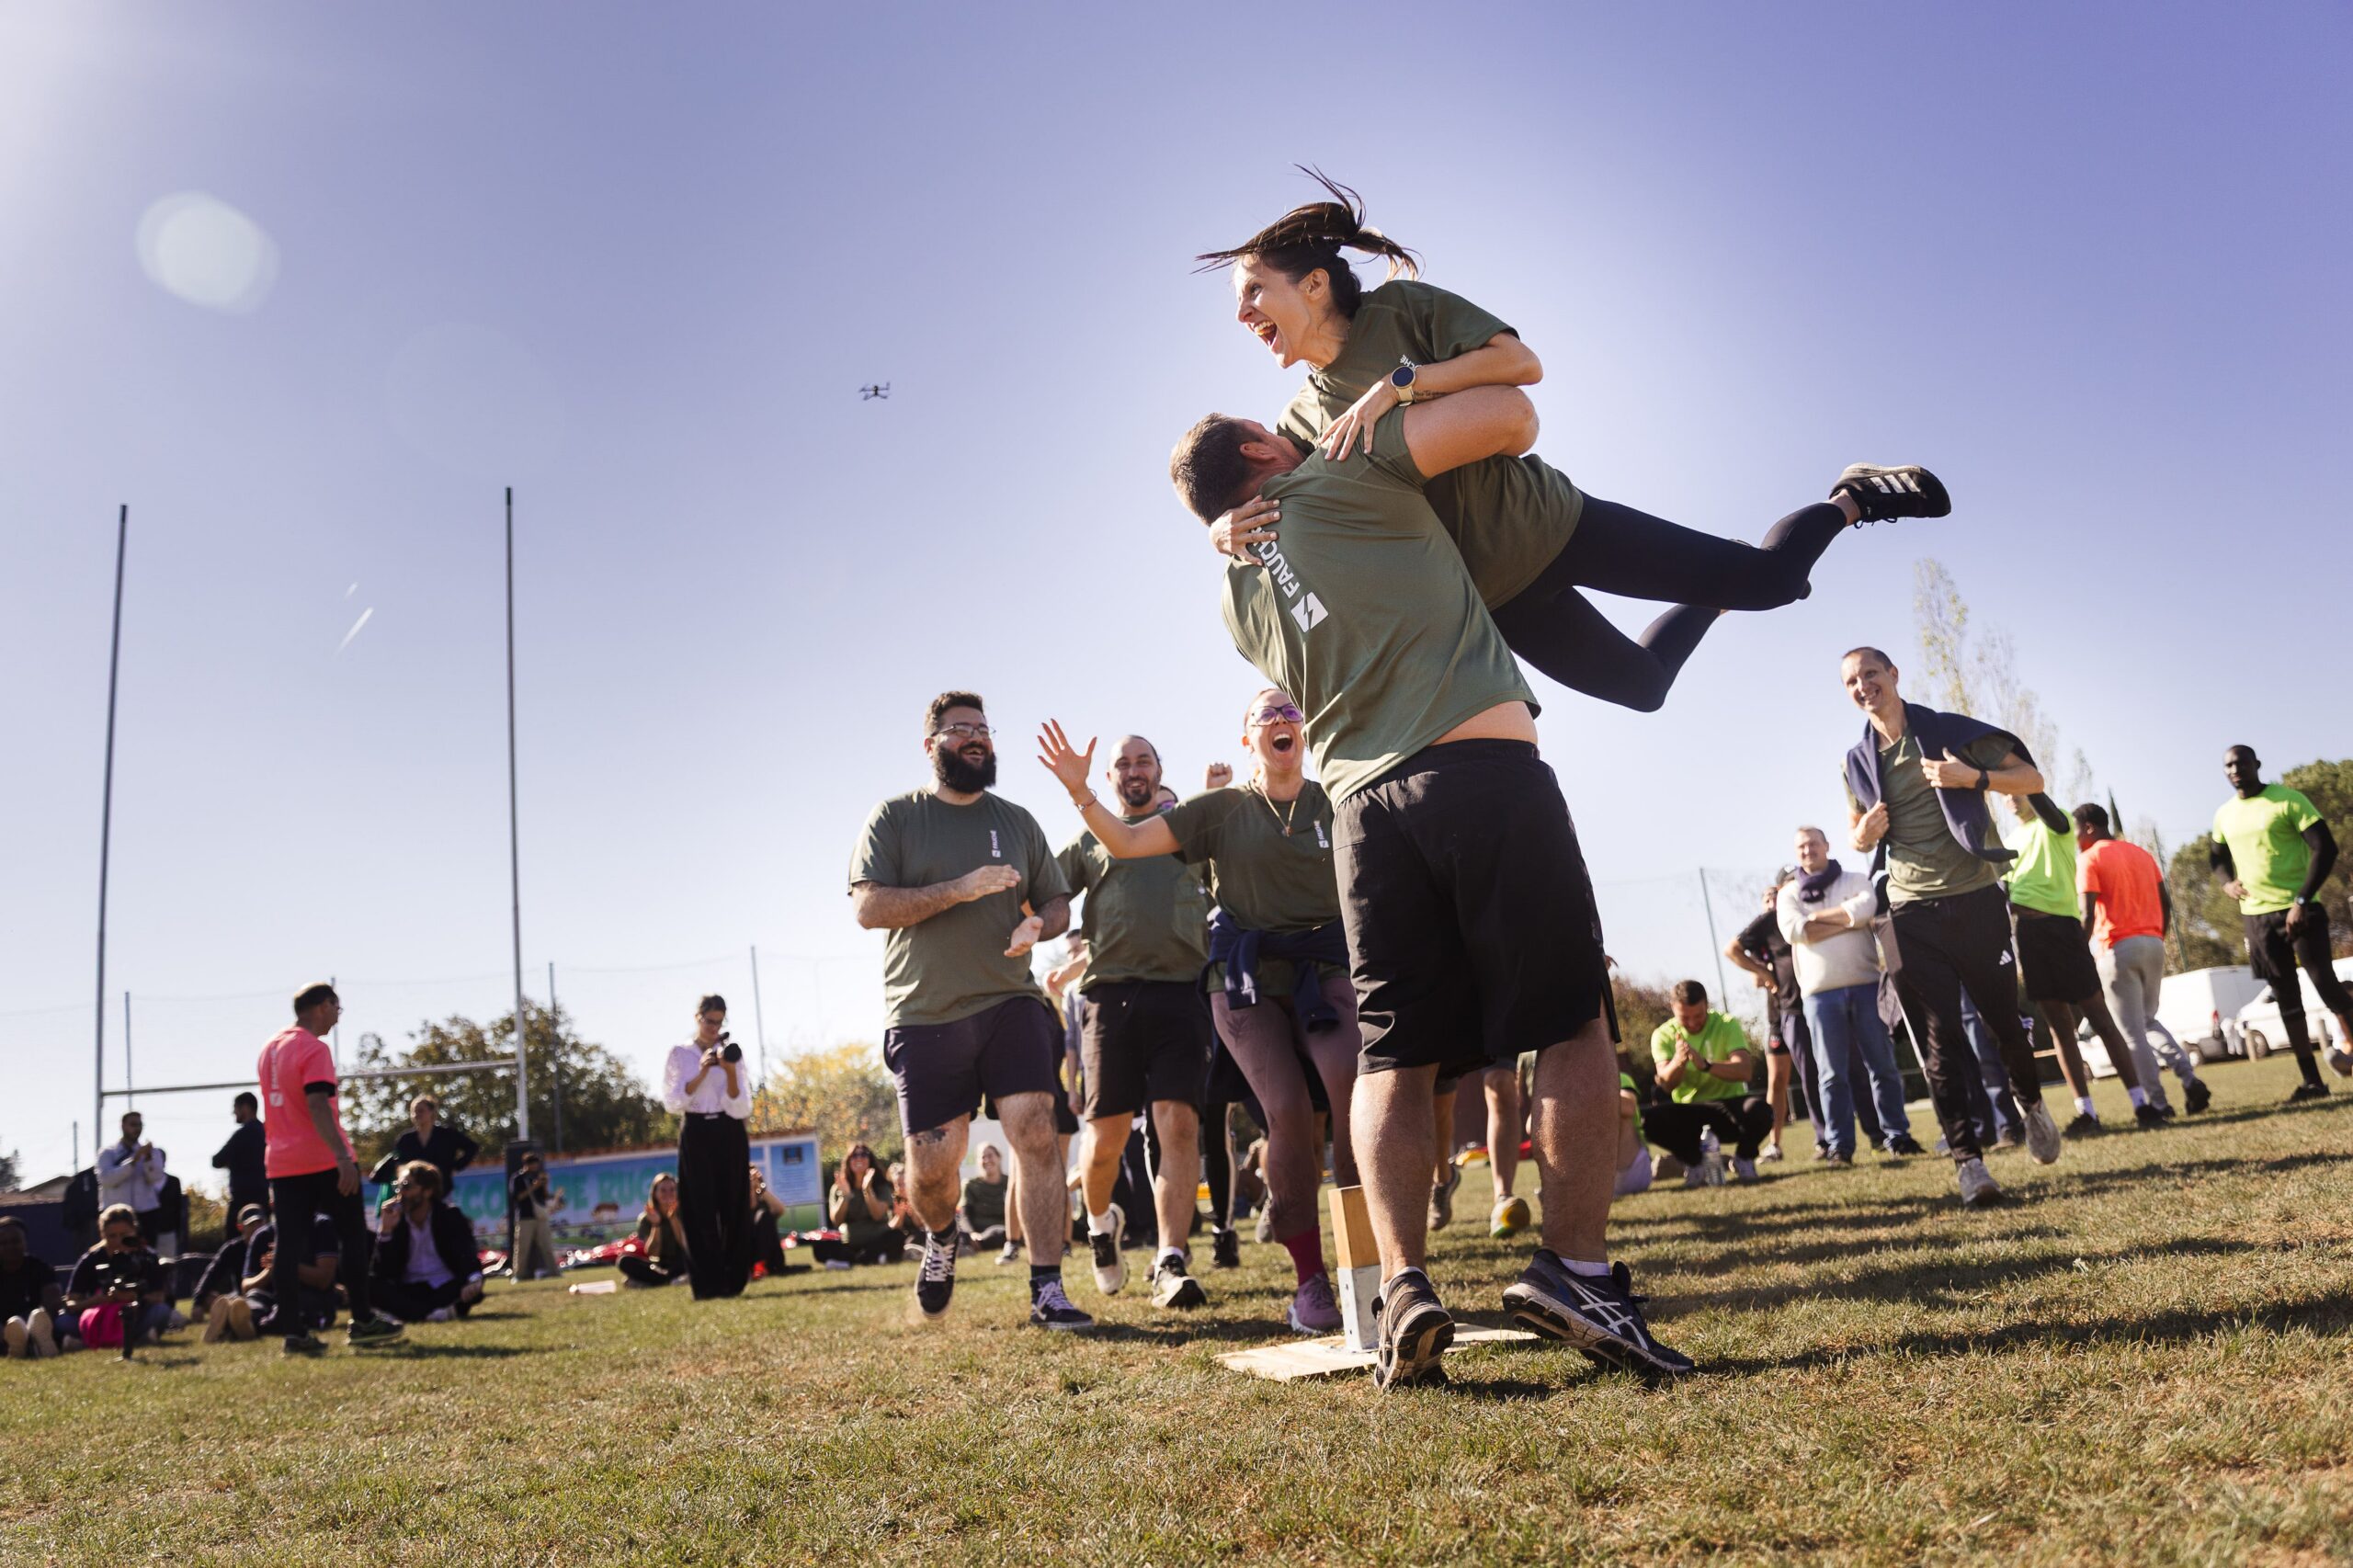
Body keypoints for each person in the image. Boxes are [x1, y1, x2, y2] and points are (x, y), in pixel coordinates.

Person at [1167, 382, 1691, 1388]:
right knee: (1573, 1025)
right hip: (1479, 770)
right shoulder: (1349, 463)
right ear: (1258, 447)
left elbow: (1246, 542)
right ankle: (1575, 1269)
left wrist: (1216, 534)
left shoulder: (1234, 590)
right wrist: (1397, 389)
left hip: (1362, 812)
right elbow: (1512, 416)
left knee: (1393, 1057)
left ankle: (1402, 1282)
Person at [1197, 172, 1952, 714]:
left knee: (1775, 583)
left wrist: (1399, 385)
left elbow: (1521, 368)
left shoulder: (1400, 313)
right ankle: (1711, 595)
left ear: (1316, 285)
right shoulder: (1295, 424)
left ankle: (1851, 500)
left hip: (1556, 525)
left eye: (1254, 293)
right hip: (1498, 598)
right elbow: (1289, 517)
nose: (1244, 317)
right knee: (1644, 689)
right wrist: (1222, 537)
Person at [1037, 692, 1357, 1332]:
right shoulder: (1212, 812)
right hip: (1203, 983)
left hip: (1291, 970)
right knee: (1276, 1113)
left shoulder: (1333, 801)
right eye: (1263, 716)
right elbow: (1117, 849)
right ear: (1247, 740)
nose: (1279, 722)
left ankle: (1373, 1270)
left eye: (1288, 711)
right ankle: (1305, 1281)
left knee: (1348, 1093)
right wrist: (1078, 794)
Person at [848, 691, 1091, 1330]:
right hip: (925, 1014)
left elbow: (1058, 902)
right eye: (960, 730)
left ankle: (1047, 1287)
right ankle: (941, 1238)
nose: (977, 739)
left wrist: (1039, 924)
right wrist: (958, 890)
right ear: (930, 746)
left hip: (1010, 1001)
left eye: (983, 729)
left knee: (1036, 1129)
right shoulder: (896, 818)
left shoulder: (1016, 821)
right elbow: (869, 908)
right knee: (931, 1169)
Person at [1838, 648, 2065, 1207]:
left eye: (1871, 673)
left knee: (2003, 1027)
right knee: (1938, 1042)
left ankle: (2030, 1103)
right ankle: (1970, 1164)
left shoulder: (1946, 732)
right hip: (1910, 910)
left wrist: (1975, 777)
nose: (1863, 685)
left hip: (1975, 899)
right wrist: (1863, 837)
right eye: (1851, 680)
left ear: (1894, 676)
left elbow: (2032, 777)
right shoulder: (1856, 761)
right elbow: (1855, 834)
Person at [1038, 733, 1214, 1312]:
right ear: (1110, 779)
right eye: (1123, 763)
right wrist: (1027, 923)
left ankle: (1171, 1259)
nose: (1133, 769)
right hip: (1109, 1003)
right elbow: (1047, 894)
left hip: (1181, 994)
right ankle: (1098, 1223)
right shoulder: (1090, 839)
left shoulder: (1190, 832)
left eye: (1144, 760)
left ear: (1160, 771)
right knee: (1107, 1139)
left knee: (1178, 1126)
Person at [1996, 794, 2165, 1135]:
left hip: (2064, 928)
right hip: (2028, 933)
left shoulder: (2055, 819)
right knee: (2059, 1024)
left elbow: (2045, 806)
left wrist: (2027, 781)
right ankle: (2086, 1112)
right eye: (2004, 792)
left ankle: (2141, 1104)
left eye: (2017, 789)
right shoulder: (2009, 842)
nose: (2011, 797)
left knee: (2099, 1016)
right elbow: (2005, 887)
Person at [257, 983, 400, 1351]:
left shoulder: (269, 1048)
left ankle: (293, 1332)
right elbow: (317, 1104)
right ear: (323, 1006)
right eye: (337, 1009)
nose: (338, 1017)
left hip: (281, 1162)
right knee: (352, 1236)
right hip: (322, 1159)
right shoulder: (312, 1047)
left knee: (287, 1246)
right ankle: (363, 1320)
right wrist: (341, 1157)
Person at [2211, 745, 2353, 1099]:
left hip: (2301, 911)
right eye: (2228, 765)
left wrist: (2302, 900)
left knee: (2324, 982)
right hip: (2257, 919)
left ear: (2256, 765)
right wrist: (2227, 882)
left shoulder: (2288, 800)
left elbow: (2326, 848)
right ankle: (2312, 1082)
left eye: (2241, 763)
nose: (2235, 769)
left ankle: (2349, 1048)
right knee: (2286, 996)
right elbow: (2215, 859)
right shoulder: (2224, 815)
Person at [1777, 827, 1920, 1166]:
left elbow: (1866, 909)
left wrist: (1816, 923)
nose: (1808, 850)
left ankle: (1896, 1135)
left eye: (1813, 843)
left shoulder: (1856, 879)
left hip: (1866, 984)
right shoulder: (1788, 894)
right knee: (1831, 1074)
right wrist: (1846, 919)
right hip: (1818, 995)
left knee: (1882, 1065)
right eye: (1801, 846)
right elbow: (1795, 931)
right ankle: (1840, 1145)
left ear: (1827, 846)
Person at [2075, 803, 2210, 1118]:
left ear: (2090, 827)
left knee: (2131, 1033)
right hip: (2153, 943)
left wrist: (2079, 952)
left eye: (2077, 830)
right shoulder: (2141, 854)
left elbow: (2086, 913)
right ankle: (2189, 1080)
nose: (2076, 838)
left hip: (2117, 947)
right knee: (2148, 1021)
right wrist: (2157, 936)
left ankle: (2158, 1103)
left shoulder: (2090, 858)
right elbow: (2165, 901)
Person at [662, 994, 755, 1300]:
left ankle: (734, 1280)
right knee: (699, 1208)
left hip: (729, 1129)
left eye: (720, 1021)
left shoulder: (732, 1053)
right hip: (697, 1129)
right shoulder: (680, 1054)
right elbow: (674, 1101)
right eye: (709, 1021)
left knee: (734, 1205)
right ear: (697, 1018)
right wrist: (702, 1071)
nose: (714, 1027)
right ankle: (706, 1283)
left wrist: (728, 1070)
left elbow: (741, 1106)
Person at [1646, 983, 1772, 1185]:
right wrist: (1679, 1061)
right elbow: (1665, 1085)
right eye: (1685, 1018)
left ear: (1706, 1005)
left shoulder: (1726, 1023)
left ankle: (1744, 1159)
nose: (1693, 1023)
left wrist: (1706, 1065)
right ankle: (1695, 1163)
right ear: (1672, 1008)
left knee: (1761, 1110)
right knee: (1650, 1120)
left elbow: (1744, 1071)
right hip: (1689, 1112)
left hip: (1727, 1107)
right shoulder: (1662, 1034)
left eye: (1698, 1016)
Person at [1726, 875, 1807, 1163]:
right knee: (1777, 1080)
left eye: (1776, 896)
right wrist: (1765, 972)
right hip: (1777, 1016)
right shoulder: (1760, 941)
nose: (1772, 902)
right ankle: (1774, 1143)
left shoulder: (1790, 926)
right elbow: (1755, 981)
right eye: (1767, 899)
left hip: (1802, 1008)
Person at [369, 1161, 484, 1324]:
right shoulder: (396, 1220)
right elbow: (383, 1271)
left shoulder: (449, 1215)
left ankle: (408, 1313)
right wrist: (386, 1231)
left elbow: (466, 1251)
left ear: (427, 1191)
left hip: (444, 1285)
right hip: (410, 1288)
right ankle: (436, 1312)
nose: (400, 1193)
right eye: (398, 1186)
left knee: (468, 1288)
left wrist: (474, 1280)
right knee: (369, 1285)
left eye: (407, 1186)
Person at [62, 1203, 170, 1349]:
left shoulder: (148, 1257)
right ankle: (134, 1338)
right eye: (112, 1236)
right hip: (95, 1319)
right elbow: (71, 1303)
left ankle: (94, 1341)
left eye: (124, 1235)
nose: (118, 1242)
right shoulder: (90, 1260)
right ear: (103, 1235)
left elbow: (159, 1297)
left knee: (161, 1311)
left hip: (135, 1316)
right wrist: (97, 1300)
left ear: (134, 1231)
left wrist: (133, 1297)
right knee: (63, 1322)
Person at [97, 1110, 174, 1256]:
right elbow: (107, 1179)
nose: (137, 1129)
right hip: (116, 1214)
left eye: (139, 1125)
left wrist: (148, 1159)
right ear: (123, 1126)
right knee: (115, 1254)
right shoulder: (107, 1153)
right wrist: (133, 1161)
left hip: (146, 1213)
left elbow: (156, 1178)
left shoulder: (152, 1152)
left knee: (146, 1254)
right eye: (133, 1125)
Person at [389, 1096, 482, 1200]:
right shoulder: (405, 1139)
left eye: (421, 1111)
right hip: (414, 1194)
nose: (416, 1114)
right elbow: (398, 1163)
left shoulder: (446, 1135)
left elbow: (472, 1147)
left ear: (432, 1112)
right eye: (413, 1111)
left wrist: (456, 1167)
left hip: (442, 1190)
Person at [0, 1216, 66, 1359]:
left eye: (15, 1241)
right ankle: (18, 1346)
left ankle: (31, 1344)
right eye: (3, 1243)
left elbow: (53, 1302)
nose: (10, 1246)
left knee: (52, 1321)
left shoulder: (41, 1268)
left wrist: (36, 1326)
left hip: (36, 1324)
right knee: (13, 1327)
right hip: (3, 1327)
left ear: (25, 1242)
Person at [193, 1202, 268, 1324]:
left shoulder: (273, 1245)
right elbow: (211, 1275)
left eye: (259, 1223)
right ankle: (232, 1316)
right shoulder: (232, 1249)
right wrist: (198, 1303)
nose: (256, 1228)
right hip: (240, 1297)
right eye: (251, 1224)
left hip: (266, 1296)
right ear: (240, 1227)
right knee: (211, 1298)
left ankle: (229, 1319)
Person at [828, 1144, 903, 1265]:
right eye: (854, 1155)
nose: (859, 1158)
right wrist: (845, 1196)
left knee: (896, 1236)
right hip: (849, 1242)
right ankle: (871, 1259)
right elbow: (836, 1221)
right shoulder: (838, 1187)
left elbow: (878, 1215)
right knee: (821, 1244)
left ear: (870, 1160)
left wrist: (867, 1190)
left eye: (863, 1154)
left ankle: (850, 1261)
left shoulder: (881, 1186)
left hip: (877, 1239)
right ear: (848, 1161)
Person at [621, 1173, 690, 1287]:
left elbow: (685, 1246)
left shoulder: (685, 1213)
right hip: (660, 1264)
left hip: (682, 1261)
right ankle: (668, 1279)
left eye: (672, 1189)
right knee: (623, 1261)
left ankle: (653, 1281)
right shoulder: (646, 1218)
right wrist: (656, 1225)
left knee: (692, 1260)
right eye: (663, 1190)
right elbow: (653, 1252)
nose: (668, 1194)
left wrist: (673, 1219)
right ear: (655, 1194)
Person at [211, 1092, 269, 1222]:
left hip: (242, 1200)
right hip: (263, 1197)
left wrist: (232, 1162)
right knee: (262, 1238)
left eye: (235, 1108)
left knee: (235, 1240)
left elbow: (217, 1161)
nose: (234, 1112)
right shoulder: (266, 1132)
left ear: (245, 1108)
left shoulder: (241, 1135)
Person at [508, 1153, 559, 1281]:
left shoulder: (537, 1176)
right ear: (527, 1164)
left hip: (541, 1217)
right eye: (533, 1164)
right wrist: (533, 1187)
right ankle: (519, 1275)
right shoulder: (517, 1178)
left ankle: (554, 1272)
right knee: (522, 1248)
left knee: (547, 1246)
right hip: (525, 1217)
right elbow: (517, 1197)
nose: (535, 1167)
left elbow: (545, 1197)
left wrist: (544, 1184)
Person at [960, 1144, 1009, 1254]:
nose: (987, 1160)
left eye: (990, 1156)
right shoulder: (971, 1185)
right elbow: (964, 1215)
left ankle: (971, 1248)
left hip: (1002, 1232)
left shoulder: (1010, 1183)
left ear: (999, 1157)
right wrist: (972, 1233)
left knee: (1000, 1233)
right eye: (983, 1157)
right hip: (976, 1233)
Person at [1613, 1071, 1654, 1199]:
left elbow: (1629, 1107)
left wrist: (1586, 1090)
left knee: (1616, 1110)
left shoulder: (1620, 1078)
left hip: (1632, 1165)